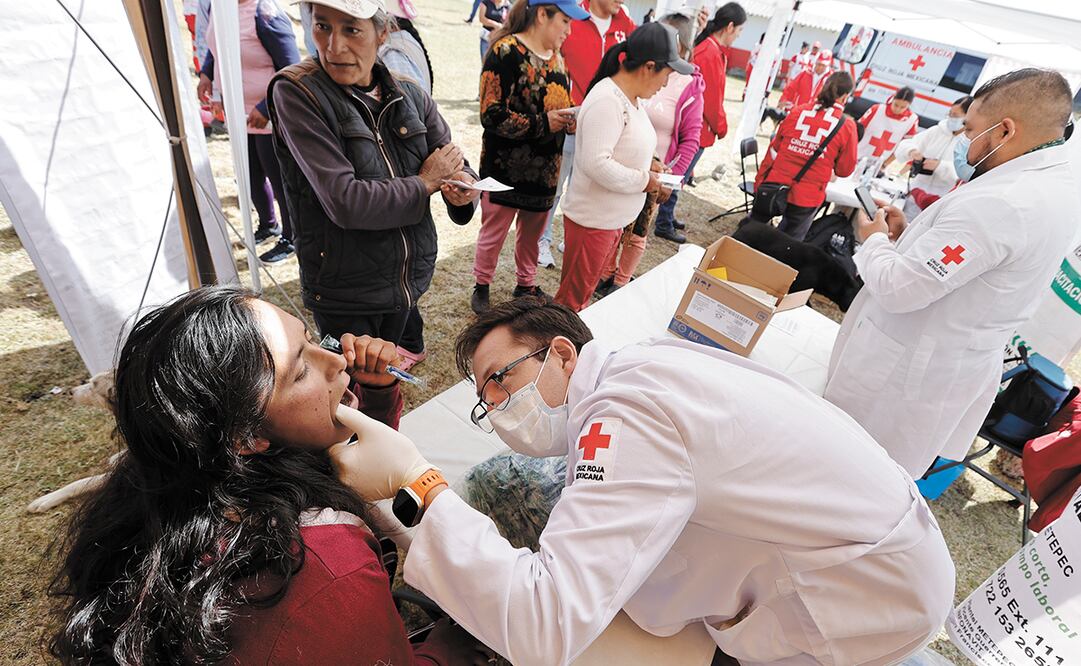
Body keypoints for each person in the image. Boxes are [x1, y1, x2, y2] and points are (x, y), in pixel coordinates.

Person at [330, 296, 957, 666]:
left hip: (863, 593)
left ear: (563, 354)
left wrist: (418, 484)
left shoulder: (627, 412)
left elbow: (544, 622)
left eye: (502, 378)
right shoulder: (641, 370)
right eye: (484, 400)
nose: (495, 407)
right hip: (875, 552)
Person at [47, 287, 493, 664]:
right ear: (244, 434)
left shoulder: (183, 477)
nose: (337, 363)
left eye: (315, 340)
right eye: (300, 370)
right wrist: (447, 649)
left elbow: (340, 466)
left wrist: (374, 398)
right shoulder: (327, 569)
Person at [825, 68, 1081, 478]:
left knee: (848, 472)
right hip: (941, 356)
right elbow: (972, 267)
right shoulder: (1052, 187)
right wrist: (910, 241)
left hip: (904, 374)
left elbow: (898, 288)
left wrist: (872, 239)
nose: (964, 141)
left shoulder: (1004, 202)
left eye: (971, 129)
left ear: (1004, 131)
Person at [266, 0, 478, 372]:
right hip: (344, 290)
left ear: (383, 33)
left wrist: (465, 187)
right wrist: (426, 182)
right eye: (322, 27)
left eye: (351, 29)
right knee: (357, 393)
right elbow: (345, 201)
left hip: (406, 281)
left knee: (388, 384)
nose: (334, 46)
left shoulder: (409, 93)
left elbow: (455, 162)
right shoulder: (298, 92)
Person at [552, 23, 687, 312]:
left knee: (581, 296)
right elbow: (597, 164)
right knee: (572, 303)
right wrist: (646, 180)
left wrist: (649, 165)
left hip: (609, 220)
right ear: (649, 67)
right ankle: (555, 347)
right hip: (593, 222)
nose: (665, 84)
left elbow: (624, 147)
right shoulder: (607, 101)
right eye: (667, 75)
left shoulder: (630, 99)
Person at [469, 0, 585, 314]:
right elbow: (490, 114)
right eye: (564, 21)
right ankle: (481, 284)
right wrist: (544, 123)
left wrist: (570, 120)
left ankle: (525, 283)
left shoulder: (558, 60)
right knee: (493, 230)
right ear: (542, 14)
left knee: (532, 236)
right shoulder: (504, 51)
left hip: (545, 169)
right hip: (504, 167)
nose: (569, 30)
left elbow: (560, 101)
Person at [599, 11, 702, 283]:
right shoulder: (636, 73)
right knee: (614, 225)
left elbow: (691, 139)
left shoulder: (689, 84)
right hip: (624, 165)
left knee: (637, 232)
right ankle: (605, 274)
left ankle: (621, 281)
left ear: (679, 44)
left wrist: (669, 179)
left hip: (656, 173)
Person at [198, 0, 301, 264]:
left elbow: (292, 70)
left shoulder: (267, 15)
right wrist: (206, 74)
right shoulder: (219, 7)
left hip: (268, 118)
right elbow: (216, 45)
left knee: (279, 179)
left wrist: (266, 106)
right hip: (237, 114)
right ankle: (269, 225)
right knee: (249, 177)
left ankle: (292, 237)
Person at [536, 0, 636, 269]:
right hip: (571, 119)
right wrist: (567, 110)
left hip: (606, 124)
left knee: (586, 184)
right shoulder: (573, 17)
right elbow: (555, 65)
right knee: (556, 186)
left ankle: (570, 239)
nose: (622, 1)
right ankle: (541, 240)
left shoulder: (624, 22)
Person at [750, 71, 859, 240]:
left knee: (749, 234)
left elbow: (775, 149)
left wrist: (760, 181)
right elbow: (845, 170)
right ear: (845, 96)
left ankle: (725, 264)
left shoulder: (797, 111)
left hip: (774, 185)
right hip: (807, 195)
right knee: (785, 248)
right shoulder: (847, 125)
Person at [676, 2, 745, 207]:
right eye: (739, 30)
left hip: (699, 126)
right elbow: (711, 100)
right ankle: (664, 220)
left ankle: (666, 217)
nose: (738, 35)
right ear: (730, 26)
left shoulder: (711, 49)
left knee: (682, 175)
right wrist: (721, 127)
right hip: (698, 127)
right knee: (680, 175)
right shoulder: (710, 53)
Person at [894, 95, 973, 215]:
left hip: (939, 200)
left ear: (967, 117)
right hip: (914, 194)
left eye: (956, 116)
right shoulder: (937, 131)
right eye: (950, 114)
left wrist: (940, 167)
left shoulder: (969, 142)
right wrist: (912, 151)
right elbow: (905, 145)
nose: (951, 118)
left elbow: (965, 174)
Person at [856, 86, 919, 165]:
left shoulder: (912, 120)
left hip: (879, 164)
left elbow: (904, 146)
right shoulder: (877, 109)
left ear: (909, 105)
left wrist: (885, 164)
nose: (898, 109)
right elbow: (857, 131)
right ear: (893, 100)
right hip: (858, 157)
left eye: (903, 107)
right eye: (896, 105)